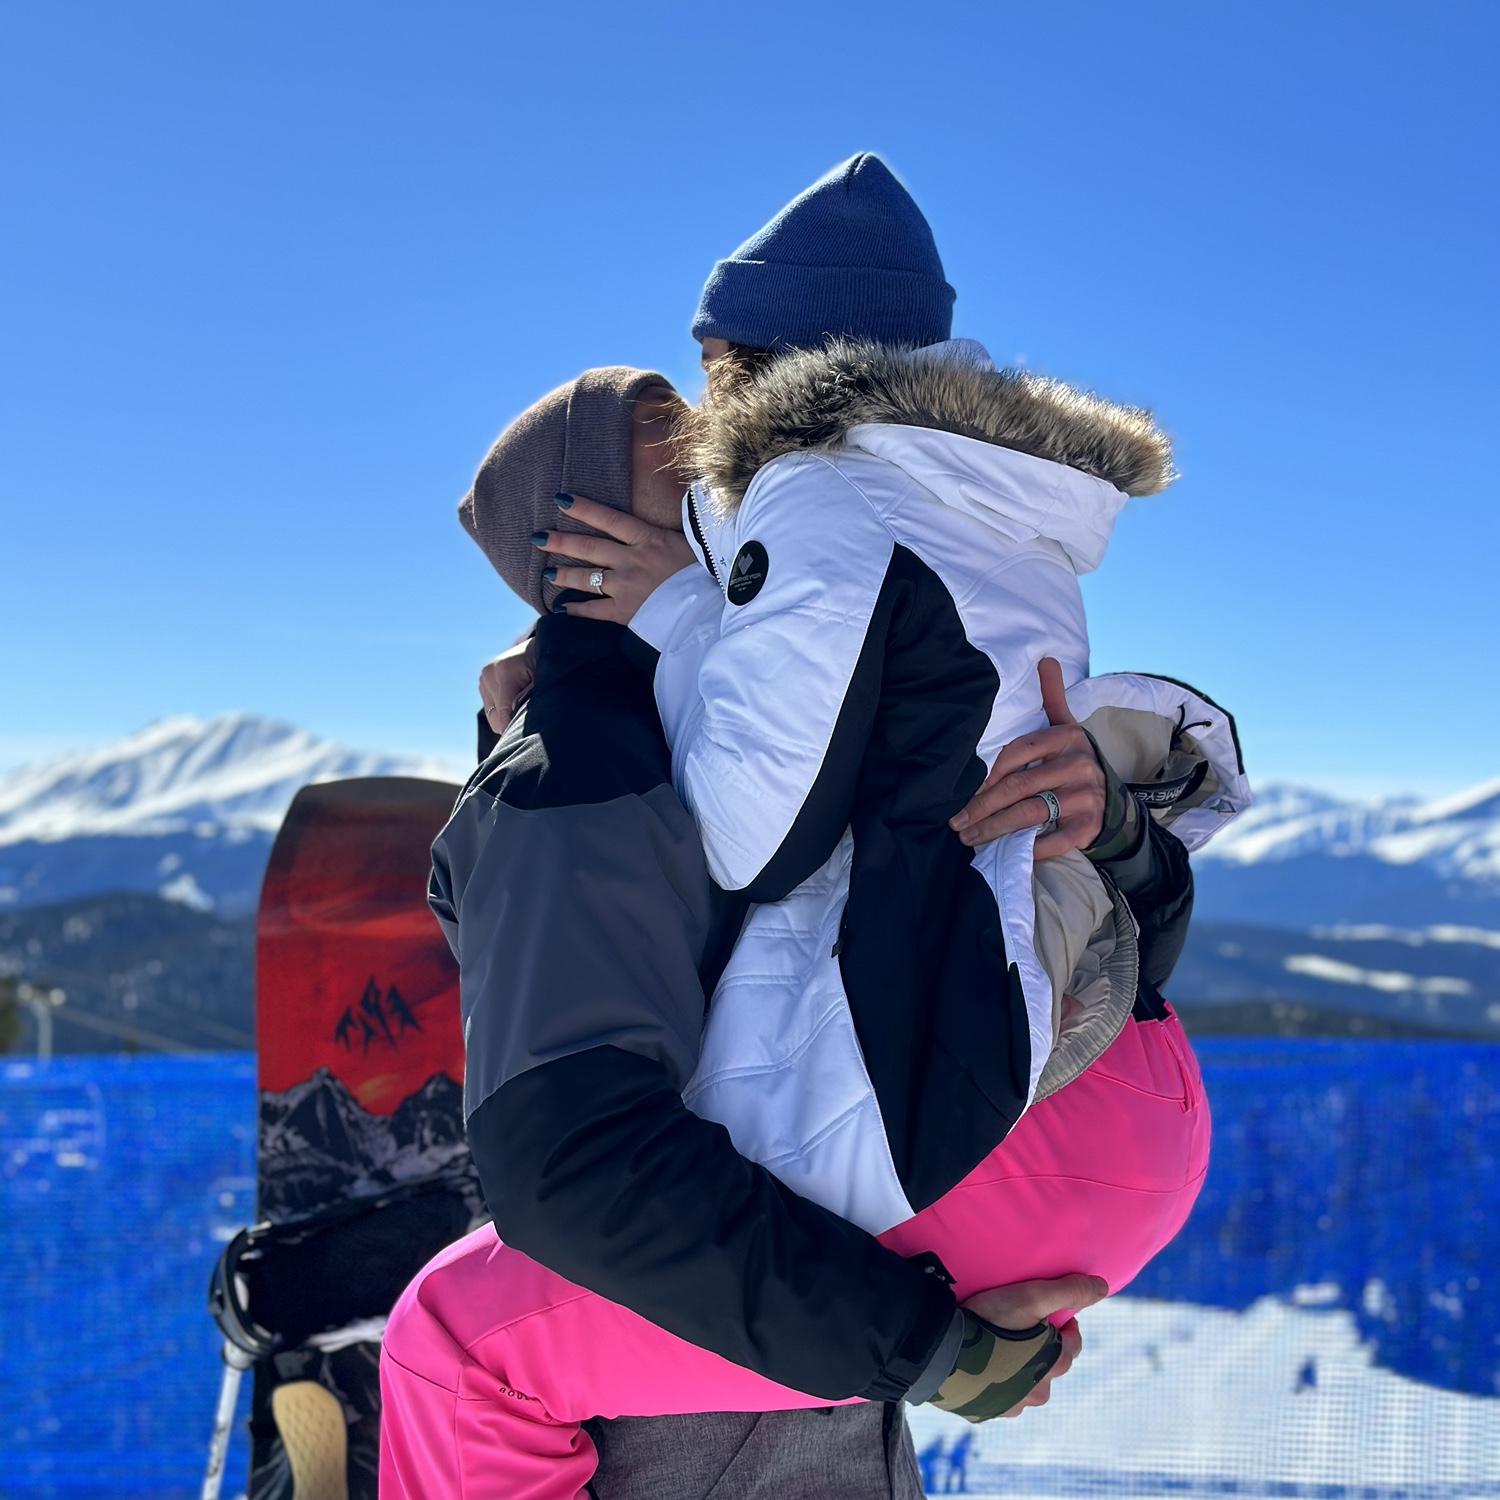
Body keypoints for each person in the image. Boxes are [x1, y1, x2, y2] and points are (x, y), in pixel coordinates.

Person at [381, 339, 1240, 1495]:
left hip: (962, 1165)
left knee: (449, 1344)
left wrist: (937, 1346)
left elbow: (574, 1163)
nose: (723, 495)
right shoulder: (623, 756)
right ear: (576, 546)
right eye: (687, 480)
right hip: (1080, 1125)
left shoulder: (749, 700)